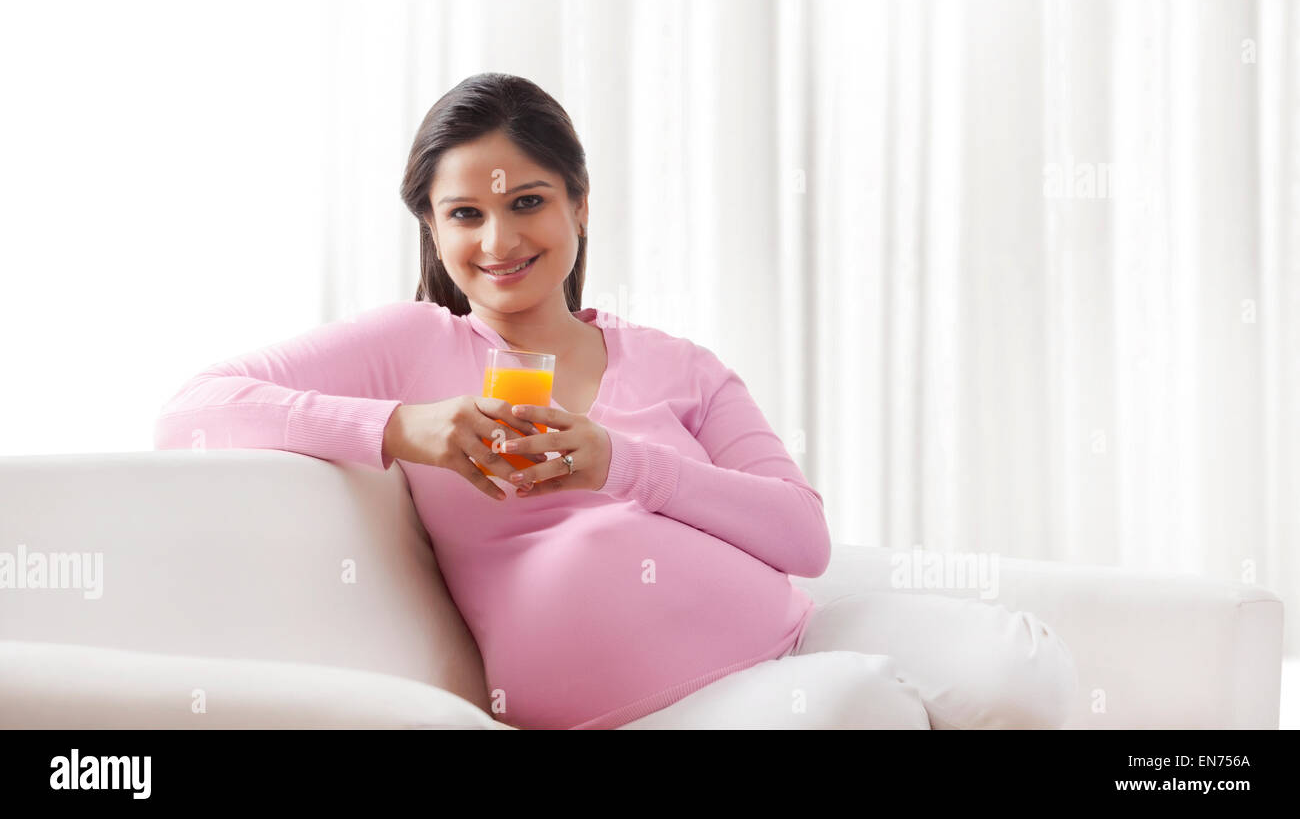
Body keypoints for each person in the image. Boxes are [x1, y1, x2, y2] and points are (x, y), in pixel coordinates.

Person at [154, 72, 1078, 730]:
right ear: (433, 230)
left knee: (1022, 669)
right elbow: (190, 411)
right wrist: (403, 429)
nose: (498, 238)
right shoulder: (412, 346)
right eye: (465, 214)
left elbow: (802, 538)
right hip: (640, 706)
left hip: (792, 633)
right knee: (856, 708)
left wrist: (624, 464)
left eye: (529, 202)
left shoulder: (677, 363)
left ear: (580, 207)